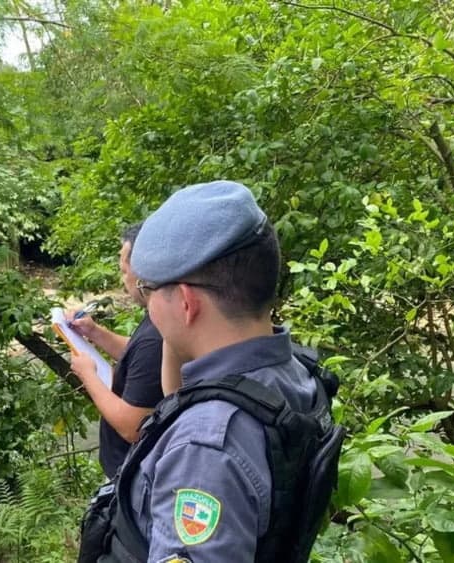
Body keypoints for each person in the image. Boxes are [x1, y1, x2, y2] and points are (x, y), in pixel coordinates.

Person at [110, 180, 332, 561]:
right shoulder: (291, 374)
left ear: (185, 302)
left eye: (147, 290)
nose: (146, 305)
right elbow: (176, 398)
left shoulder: (205, 447)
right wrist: (176, 329)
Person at [68, 222, 164, 478]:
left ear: (144, 272)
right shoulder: (159, 316)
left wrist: (88, 375)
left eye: (124, 271)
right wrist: (94, 332)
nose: (123, 282)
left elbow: (133, 426)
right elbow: (137, 355)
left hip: (132, 477)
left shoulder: (157, 336)